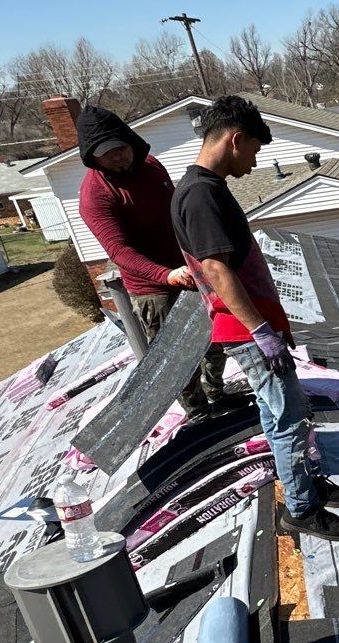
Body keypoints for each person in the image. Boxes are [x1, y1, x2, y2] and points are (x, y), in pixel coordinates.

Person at [170, 95, 339, 542]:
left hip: (257, 328)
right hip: (247, 331)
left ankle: (304, 484)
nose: (254, 162)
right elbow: (215, 269)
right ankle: (300, 509)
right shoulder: (200, 194)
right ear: (235, 140)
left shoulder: (205, 188)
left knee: (281, 416)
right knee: (290, 419)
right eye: (253, 150)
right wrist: (260, 331)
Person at [74, 104, 226, 415]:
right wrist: (165, 274)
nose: (118, 156)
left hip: (192, 271)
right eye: (107, 153)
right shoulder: (96, 195)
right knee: (176, 358)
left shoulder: (152, 166)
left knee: (216, 339)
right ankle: (197, 412)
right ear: (93, 156)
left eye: (121, 147)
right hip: (153, 290)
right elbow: (119, 251)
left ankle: (218, 394)